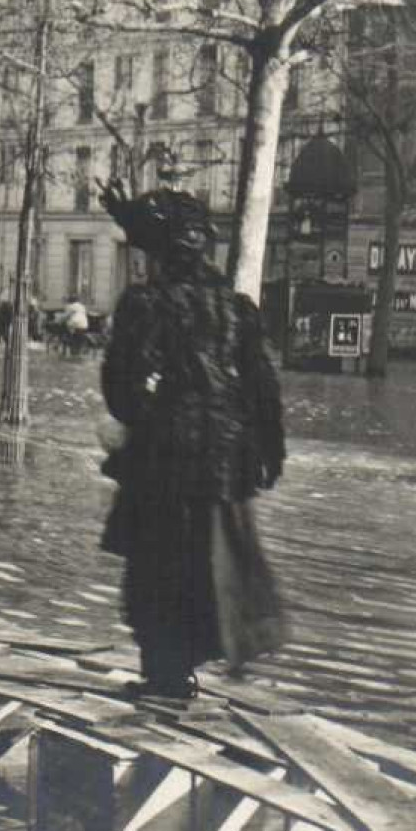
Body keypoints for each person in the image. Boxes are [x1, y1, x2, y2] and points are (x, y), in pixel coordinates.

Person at [98, 180, 288, 699]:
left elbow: (121, 387)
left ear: (158, 254)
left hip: (167, 463)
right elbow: (264, 385)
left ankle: (165, 680)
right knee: (214, 565)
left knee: (157, 569)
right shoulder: (235, 306)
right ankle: (192, 669)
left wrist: (141, 422)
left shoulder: (146, 304)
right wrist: (268, 450)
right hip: (226, 461)